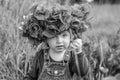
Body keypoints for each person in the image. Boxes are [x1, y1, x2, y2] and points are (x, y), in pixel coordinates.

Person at [20, 1, 91, 80]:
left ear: (71, 36)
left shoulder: (72, 56)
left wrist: (78, 52)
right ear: (46, 38)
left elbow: (82, 72)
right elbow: (31, 76)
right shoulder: (40, 56)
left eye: (64, 35)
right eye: (53, 36)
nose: (59, 41)